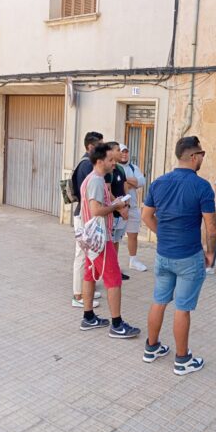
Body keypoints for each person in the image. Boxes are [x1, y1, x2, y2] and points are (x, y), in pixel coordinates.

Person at [142, 136, 216, 375]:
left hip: (163, 255)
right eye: (201, 155)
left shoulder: (159, 183)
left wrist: (163, 235)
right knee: (182, 308)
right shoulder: (202, 186)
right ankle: (182, 360)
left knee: (159, 300)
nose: (202, 158)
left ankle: (151, 348)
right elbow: (211, 227)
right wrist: (210, 252)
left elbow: (146, 216)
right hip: (189, 257)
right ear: (193, 157)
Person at [79, 143, 140, 338]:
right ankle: (117, 324)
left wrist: (114, 204)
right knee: (113, 278)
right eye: (110, 159)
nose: (114, 163)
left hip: (91, 237)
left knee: (90, 274)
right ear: (100, 161)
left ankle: (88, 317)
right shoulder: (97, 181)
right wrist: (116, 206)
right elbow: (96, 210)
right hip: (100, 239)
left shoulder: (91, 179)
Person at [71, 131, 103, 308]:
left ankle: (86, 290)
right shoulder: (86, 166)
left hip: (86, 215)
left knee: (88, 254)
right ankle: (77, 295)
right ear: (90, 147)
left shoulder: (88, 164)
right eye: (100, 145)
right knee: (81, 255)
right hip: (83, 215)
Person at [118, 144, 147, 272]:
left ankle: (133, 261)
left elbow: (141, 182)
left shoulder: (133, 168)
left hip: (133, 207)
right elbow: (120, 185)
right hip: (118, 209)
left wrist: (125, 181)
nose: (124, 154)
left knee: (133, 235)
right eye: (122, 152)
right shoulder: (114, 168)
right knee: (115, 238)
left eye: (126, 152)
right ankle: (114, 263)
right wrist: (131, 182)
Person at [105, 142, 130, 281]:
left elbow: (125, 187)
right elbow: (108, 192)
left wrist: (126, 206)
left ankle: (114, 268)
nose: (121, 152)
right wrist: (120, 208)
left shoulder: (120, 168)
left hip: (122, 212)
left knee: (116, 241)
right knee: (109, 243)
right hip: (113, 213)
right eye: (118, 150)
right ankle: (109, 271)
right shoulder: (108, 171)